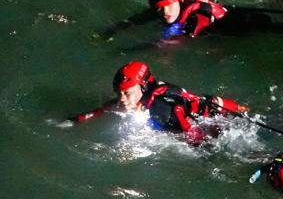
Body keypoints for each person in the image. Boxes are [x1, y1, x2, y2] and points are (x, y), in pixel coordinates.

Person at [70, 61, 248, 144]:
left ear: (143, 87)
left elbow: (194, 137)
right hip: (220, 105)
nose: (122, 99)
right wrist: (78, 119)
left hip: (222, 123)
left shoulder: (159, 109)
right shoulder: (148, 92)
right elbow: (110, 106)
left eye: (126, 93)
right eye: (119, 94)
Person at [101, 0, 271, 41]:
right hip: (228, 17)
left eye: (169, 6)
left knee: (271, 29)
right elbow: (140, 18)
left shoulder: (194, 16)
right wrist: (115, 29)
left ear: (179, 0)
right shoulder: (168, 7)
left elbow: (168, 43)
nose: (165, 12)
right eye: (159, 9)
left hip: (237, 25)